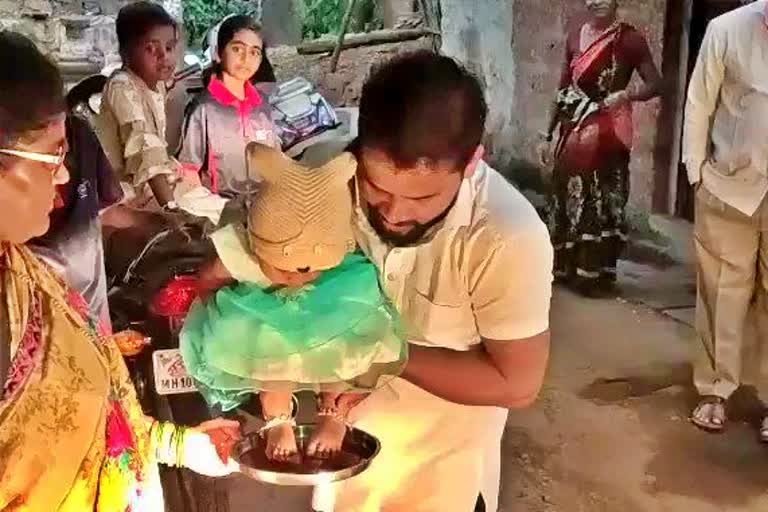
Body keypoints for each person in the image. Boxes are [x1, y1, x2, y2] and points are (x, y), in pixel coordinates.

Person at [297, 51, 551, 512]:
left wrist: (386, 351)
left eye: (424, 196)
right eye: (377, 188)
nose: (394, 214)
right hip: (341, 476)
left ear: (472, 162)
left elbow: (517, 383)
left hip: (442, 486)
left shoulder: (506, 234)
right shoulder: (326, 177)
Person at [0, 31, 241, 510]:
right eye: (52, 157)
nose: (65, 176)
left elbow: (90, 416)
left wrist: (178, 445)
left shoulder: (28, 277)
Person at [180, 142, 406, 461]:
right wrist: (212, 303)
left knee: (342, 342)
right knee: (270, 353)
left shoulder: (339, 263)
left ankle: (333, 411)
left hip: (325, 306)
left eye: (311, 269)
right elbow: (210, 276)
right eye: (282, 269)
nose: (298, 277)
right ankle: (278, 419)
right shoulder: (244, 253)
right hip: (266, 315)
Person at [683, 0, 768, 439]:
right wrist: (695, 172)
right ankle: (715, 390)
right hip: (728, 184)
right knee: (721, 291)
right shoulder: (727, 29)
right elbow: (700, 100)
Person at [538, 0, 661, 297]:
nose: (597, 1)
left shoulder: (630, 40)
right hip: (573, 128)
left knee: (601, 202)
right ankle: (566, 269)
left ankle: (593, 275)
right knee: (566, 198)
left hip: (608, 134)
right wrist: (546, 133)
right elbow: (563, 86)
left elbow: (655, 83)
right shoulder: (574, 34)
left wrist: (625, 95)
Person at [95, 1, 198, 214]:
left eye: (169, 47)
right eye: (151, 48)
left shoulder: (154, 81)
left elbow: (158, 89)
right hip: (119, 193)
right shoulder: (122, 86)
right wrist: (171, 208)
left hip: (148, 184)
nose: (164, 56)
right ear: (126, 53)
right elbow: (145, 148)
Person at [178, 15, 281, 197]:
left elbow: (275, 161)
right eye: (237, 49)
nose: (245, 58)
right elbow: (189, 170)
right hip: (222, 208)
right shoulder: (203, 108)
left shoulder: (262, 106)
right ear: (218, 53)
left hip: (265, 205)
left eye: (254, 52)